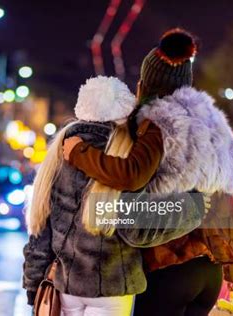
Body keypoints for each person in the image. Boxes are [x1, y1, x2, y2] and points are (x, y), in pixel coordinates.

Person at [63, 28, 233, 316]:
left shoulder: (157, 122)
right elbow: (228, 206)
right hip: (208, 271)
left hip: (168, 268)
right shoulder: (215, 127)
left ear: (147, 84)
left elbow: (131, 174)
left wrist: (78, 152)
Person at [22, 75, 204, 316]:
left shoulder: (58, 155)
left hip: (66, 287)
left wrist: (33, 284)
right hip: (113, 290)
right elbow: (137, 231)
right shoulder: (126, 158)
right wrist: (193, 209)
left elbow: (40, 233)